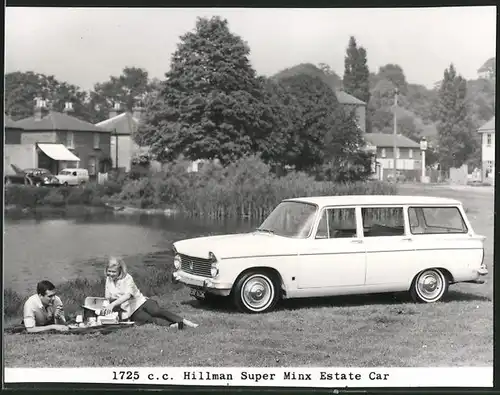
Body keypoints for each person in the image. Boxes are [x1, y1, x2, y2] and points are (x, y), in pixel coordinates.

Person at [101, 256, 197, 329]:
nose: (111, 274)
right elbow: (107, 297)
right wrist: (107, 307)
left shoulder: (127, 278)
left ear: (120, 270)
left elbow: (128, 295)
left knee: (156, 311)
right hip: (130, 310)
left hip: (140, 302)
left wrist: (112, 304)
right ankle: (174, 325)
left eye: (114, 272)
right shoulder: (108, 280)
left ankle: (184, 321)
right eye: (109, 271)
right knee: (148, 319)